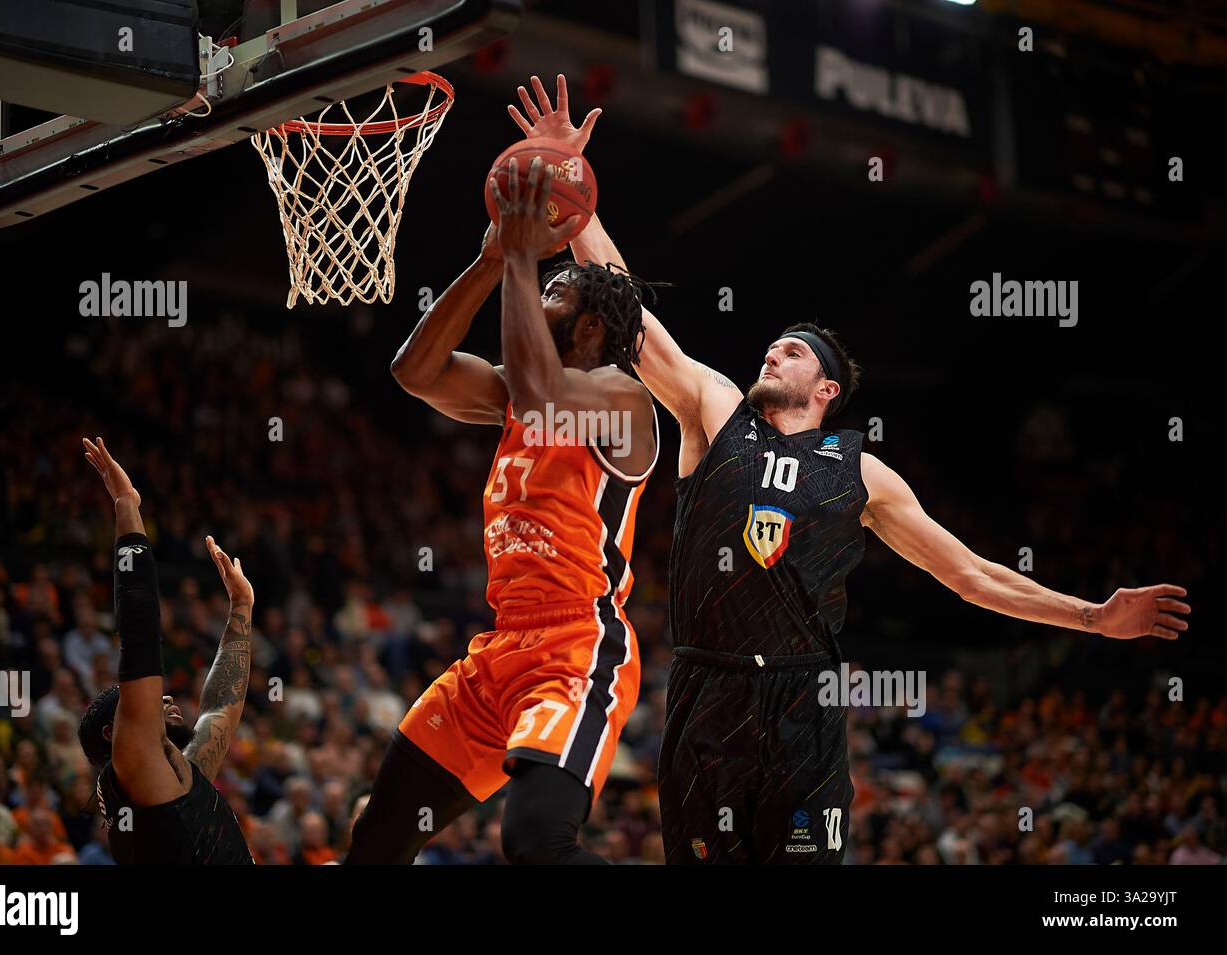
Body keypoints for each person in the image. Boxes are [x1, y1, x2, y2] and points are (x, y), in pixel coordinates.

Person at [516, 75, 1195, 863]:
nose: (772, 350)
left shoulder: (863, 472)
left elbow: (972, 575)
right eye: (771, 343)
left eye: (793, 350)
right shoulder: (715, 409)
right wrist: (577, 195)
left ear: (827, 389)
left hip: (805, 704)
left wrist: (1090, 617)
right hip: (709, 695)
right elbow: (632, 317)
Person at [347, 75, 658, 865]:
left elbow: (539, 387)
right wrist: (492, 261)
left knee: (536, 843)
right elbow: (414, 370)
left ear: (590, 329)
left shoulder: (620, 401)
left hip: (575, 650)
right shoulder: (518, 390)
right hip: (500, 650)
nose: (539, 288)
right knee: (376, 839)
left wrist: (524, 258)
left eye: (555, 289)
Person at [76, 436, 255, 864]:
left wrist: (241, 609)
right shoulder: (133, 763)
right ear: (115, 732)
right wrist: (126, 505)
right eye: (149, 699)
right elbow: (138, 631)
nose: (167, 695)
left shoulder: (168, 777)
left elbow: (220, 707)